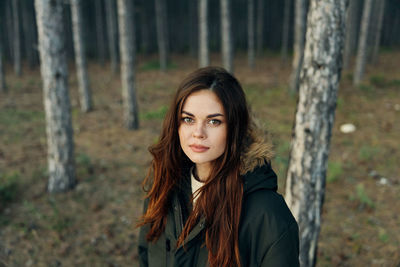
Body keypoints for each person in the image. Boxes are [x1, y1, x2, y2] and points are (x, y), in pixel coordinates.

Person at [137, 67, 299, 267]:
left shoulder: (267, 214)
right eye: (188, 119)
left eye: (214, 121)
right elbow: (146, 256)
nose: (198, 132)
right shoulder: (163, 187)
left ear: (234, 127)